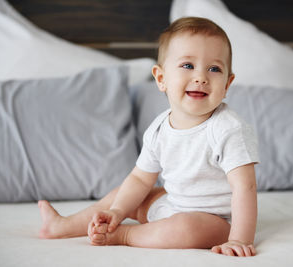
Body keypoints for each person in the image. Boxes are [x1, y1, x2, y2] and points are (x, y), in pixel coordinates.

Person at [38, 17, 259, 257]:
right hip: (172, 203)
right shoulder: (159, 128)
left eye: (214, 69)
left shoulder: (228, 128)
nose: (201, 77)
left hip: (214, 220)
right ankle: (62, 226)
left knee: (186, 228)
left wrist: (239, 239)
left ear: (227, 84)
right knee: (122, 194)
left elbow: (244, 188)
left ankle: (123, 235)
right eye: (188, 65)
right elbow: (141, 179)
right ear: (161, 78)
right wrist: (118, 211)